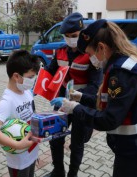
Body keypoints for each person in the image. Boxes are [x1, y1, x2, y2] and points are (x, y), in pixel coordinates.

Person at [59, 19, 137, 177]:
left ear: (102, 48)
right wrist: (81, 97)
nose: (91, 59)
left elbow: (108, 119)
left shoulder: (120, 73)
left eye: (91, 54)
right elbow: (110, 102)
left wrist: (75, 109)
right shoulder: (121, 63)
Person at [43, 12, 103, 177]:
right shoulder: (61, 51)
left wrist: (77, 96)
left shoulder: (90, 54)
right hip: (61, 100)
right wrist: (38, 81)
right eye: (67, 36)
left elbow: (95, 86)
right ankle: (58, 171)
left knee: (77, 142)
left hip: (81, 102)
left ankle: (72, 174)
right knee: (55, 137)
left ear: (82, 34)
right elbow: (50, 70)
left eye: (74, 35)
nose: (70, 39)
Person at [0, 50, 40, 177]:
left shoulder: (27, 92)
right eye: (30, 77)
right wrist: (18, 145)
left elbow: (33, 116)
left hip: (32, 153)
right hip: (18, 162)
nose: (33, 80)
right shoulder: (7, 101)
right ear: (16, 76)